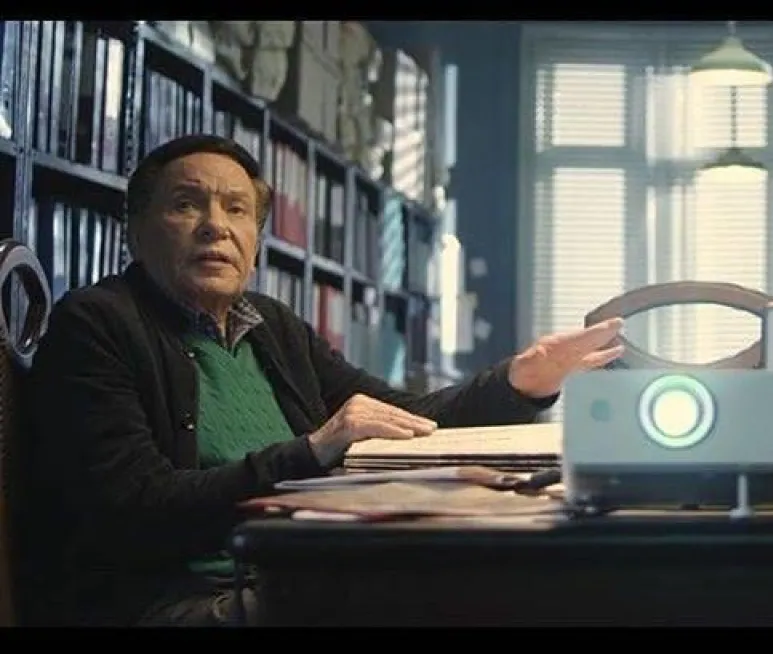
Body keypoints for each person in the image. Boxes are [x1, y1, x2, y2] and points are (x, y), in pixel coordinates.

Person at [24, 134, 624, 627]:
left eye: (236, 209)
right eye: (186, 204)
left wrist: (522, 380)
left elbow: (410, 420)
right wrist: (313, 449)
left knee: (511, 579)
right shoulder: (96, 325)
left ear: (257, 239)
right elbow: (135, 510)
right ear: (135, 228)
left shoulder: (272, 327)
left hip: (291, 571)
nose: (215, 226)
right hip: (174, 598)